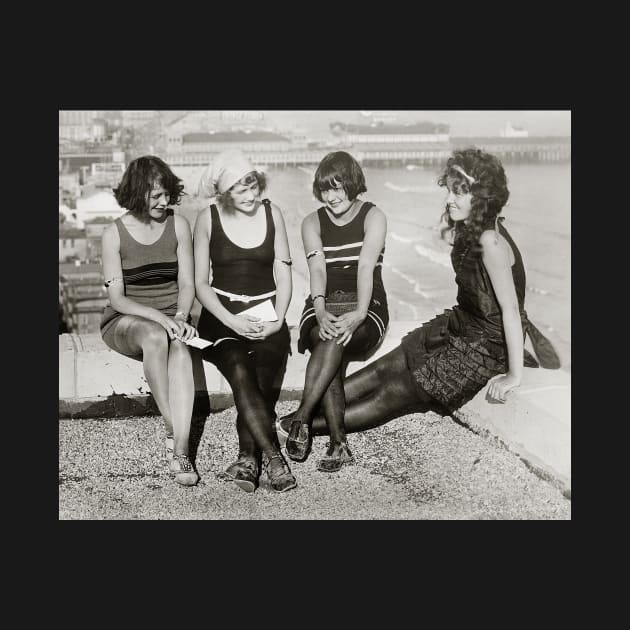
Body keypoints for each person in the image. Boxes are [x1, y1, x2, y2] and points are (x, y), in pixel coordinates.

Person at [277, 148, 560, 444]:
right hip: (459, 326)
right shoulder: (471, 230)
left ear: (482, 197)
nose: (449, 199)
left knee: (393, 392)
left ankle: (300, 423)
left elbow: (512, 311)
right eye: (449, 191)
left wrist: (514, 375)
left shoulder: (491, 241)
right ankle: (302, 417)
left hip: (483, 348)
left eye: (458, 193)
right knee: (385, 367)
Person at [193, 149, 296, 493]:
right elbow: (200, 285)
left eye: (252, 186)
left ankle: (247, 460)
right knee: (239, 367)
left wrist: (279, 319)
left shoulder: (273, 213)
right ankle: (274, 458)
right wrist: (232, 323)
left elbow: (283, 270)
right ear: (224, 194)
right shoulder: (207, 218)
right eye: (240, 190)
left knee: (264, 374)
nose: (251, 196)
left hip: (266, 315)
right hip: (221, 318)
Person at [280, 151, 389, 472]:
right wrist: (320, 309)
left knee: (335, 342)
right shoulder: (312, 222)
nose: (331, 197)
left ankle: (302, 418)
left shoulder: (373, 216)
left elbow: (366, 266)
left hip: (367, 302)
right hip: (324, 301)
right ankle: (338, 445)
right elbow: (318, 272)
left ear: (352, 184)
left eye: (338, 188)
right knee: (328, 341)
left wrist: (358, 313)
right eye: (325, 190)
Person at [101, 156, 199, 486]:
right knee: (156, 336)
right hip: (127, 321)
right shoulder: (113, 234)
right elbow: (118, 299)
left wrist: (182, 316)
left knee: (182, 351)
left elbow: (187, 284)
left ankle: (181, 451)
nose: (164, 201)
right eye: (155, 195)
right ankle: (173, 424)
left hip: (174, 315)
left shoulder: (179, 225)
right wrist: (160, 317)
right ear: (136, 192)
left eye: (167, 193)